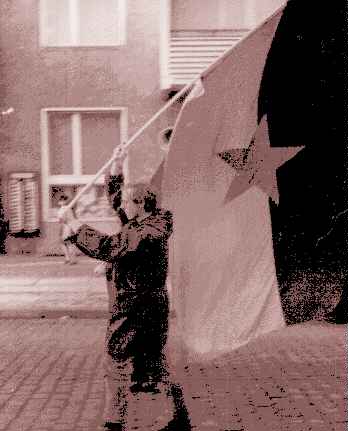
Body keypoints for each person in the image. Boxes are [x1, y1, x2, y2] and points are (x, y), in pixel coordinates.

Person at [59, 147, 191, 431]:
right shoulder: (150, 223)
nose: (123, 207)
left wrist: (74, 224)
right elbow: (118, 202)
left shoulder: (144, 232)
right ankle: (177, 415)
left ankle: (113, 421)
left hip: (133, 306)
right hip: (152, 305)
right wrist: (117, 167)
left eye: (129, 203)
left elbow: (112, 247)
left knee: (115, 358)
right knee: (155, 362)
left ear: (141, 204)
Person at [57, 195, 77, 265]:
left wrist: (61, 228)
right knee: (68, 243)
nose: (59, 202)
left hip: (66, 226)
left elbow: (62, 220)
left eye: (61, 200)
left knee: (65, 243)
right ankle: (70, 258)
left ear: (63, 201)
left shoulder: (62, 210)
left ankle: (69, 259)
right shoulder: (69, 208)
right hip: (71, 226)